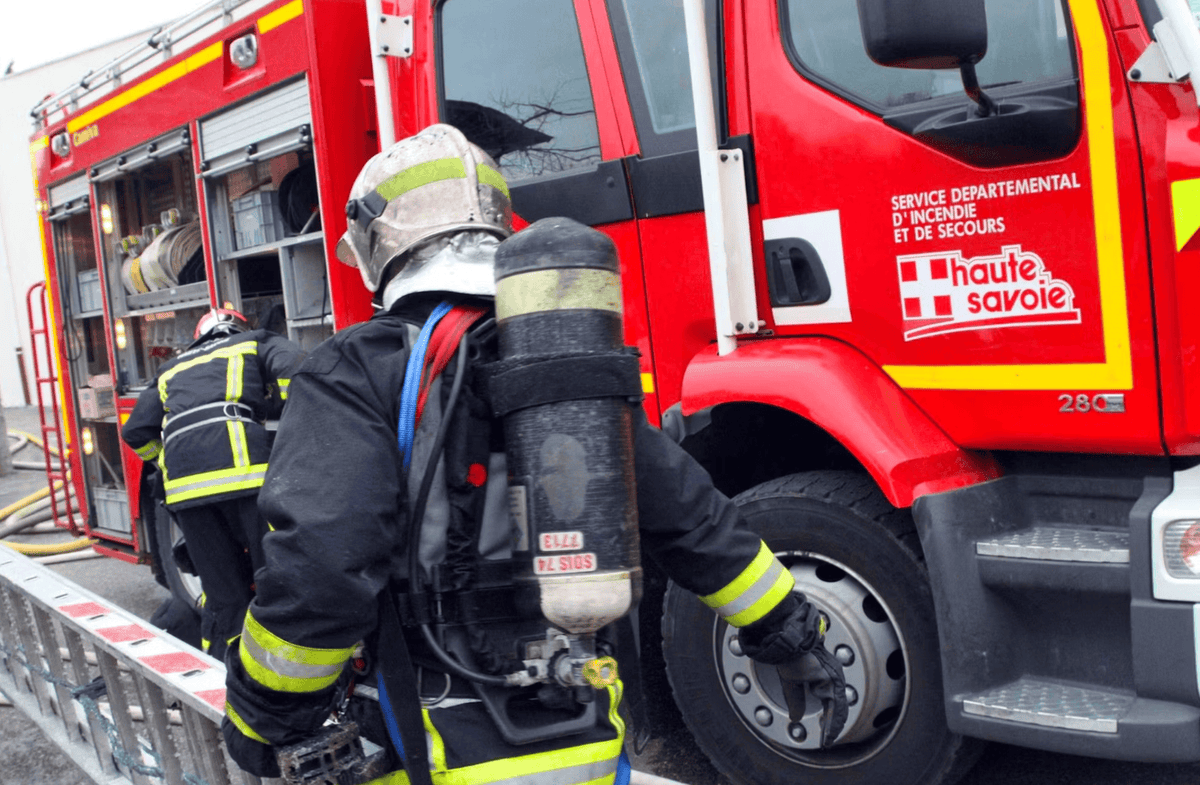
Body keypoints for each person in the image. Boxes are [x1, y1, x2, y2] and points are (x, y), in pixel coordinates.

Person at [221, 124, 847, 783]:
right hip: (586, 746)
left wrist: (265, 715)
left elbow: (323, 569)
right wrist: (788, 626)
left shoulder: (357, 370)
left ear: (380, 243)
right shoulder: (568, 371)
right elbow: (689, 517)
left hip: (439, 754)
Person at [122, 308, 305, 661]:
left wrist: (164, 461)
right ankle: (281, 672)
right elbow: (296, 369)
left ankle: (222, 673)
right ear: (238, 327)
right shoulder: (254, 342)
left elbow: (135, 432)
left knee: (223, 596)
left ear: (199, 336)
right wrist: (287, 410)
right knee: (274, 581)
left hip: (187, 495)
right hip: (244, 482)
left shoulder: (169, 369)